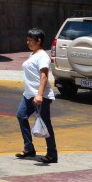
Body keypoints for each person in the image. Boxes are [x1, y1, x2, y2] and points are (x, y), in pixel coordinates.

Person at [15, 27, 58, 165]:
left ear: (39, 41)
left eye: (30, 40)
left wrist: (39, 94)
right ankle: (29, 148)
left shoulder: (42, 56)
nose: (28, 42)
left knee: (45, 123)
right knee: (21, 115)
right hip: (28, 95)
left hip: (41, 96)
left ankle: (52, 154)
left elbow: (44, 76)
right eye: (27, 40)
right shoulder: (33, 54)